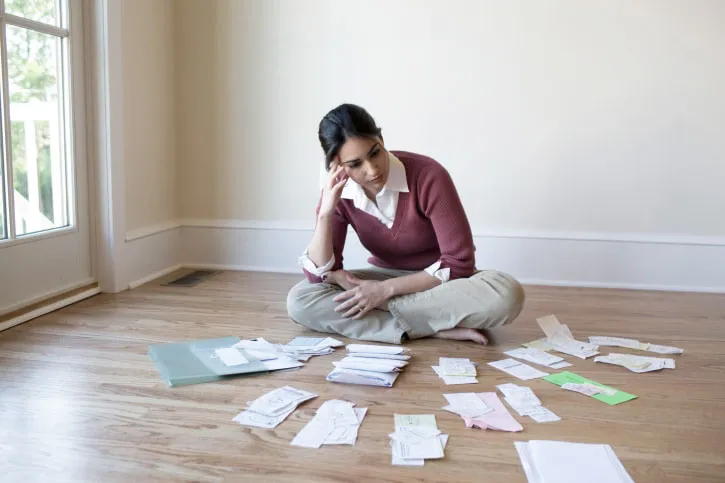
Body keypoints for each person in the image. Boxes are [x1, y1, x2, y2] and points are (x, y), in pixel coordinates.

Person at [286, 103, 525, 345]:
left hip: (439, 283)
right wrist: (326, 212)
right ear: (336, 165)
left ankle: (394, 321)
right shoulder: (338, 192)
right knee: (301, 299)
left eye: (374, 152)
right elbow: (321, 276)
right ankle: (430, 327)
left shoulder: (428, 175)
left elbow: (459, 263)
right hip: (382, 277)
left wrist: (385, 292)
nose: (372, 169)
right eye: (355, 164)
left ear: (381, 139)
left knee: (505, 294)